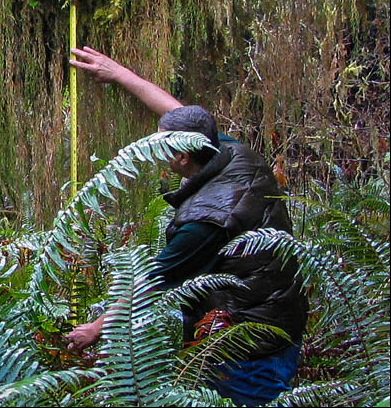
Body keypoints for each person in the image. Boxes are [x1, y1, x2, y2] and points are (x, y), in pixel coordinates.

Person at [65, 46, 308, 406]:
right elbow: (181, 115)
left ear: (181, 156)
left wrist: (94, 330)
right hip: (277, 315)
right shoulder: (233, 153)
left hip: (249, 348)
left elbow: (153, 281)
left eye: (160, 144)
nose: (152, 148)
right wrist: (120, 74)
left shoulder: (206, 219)